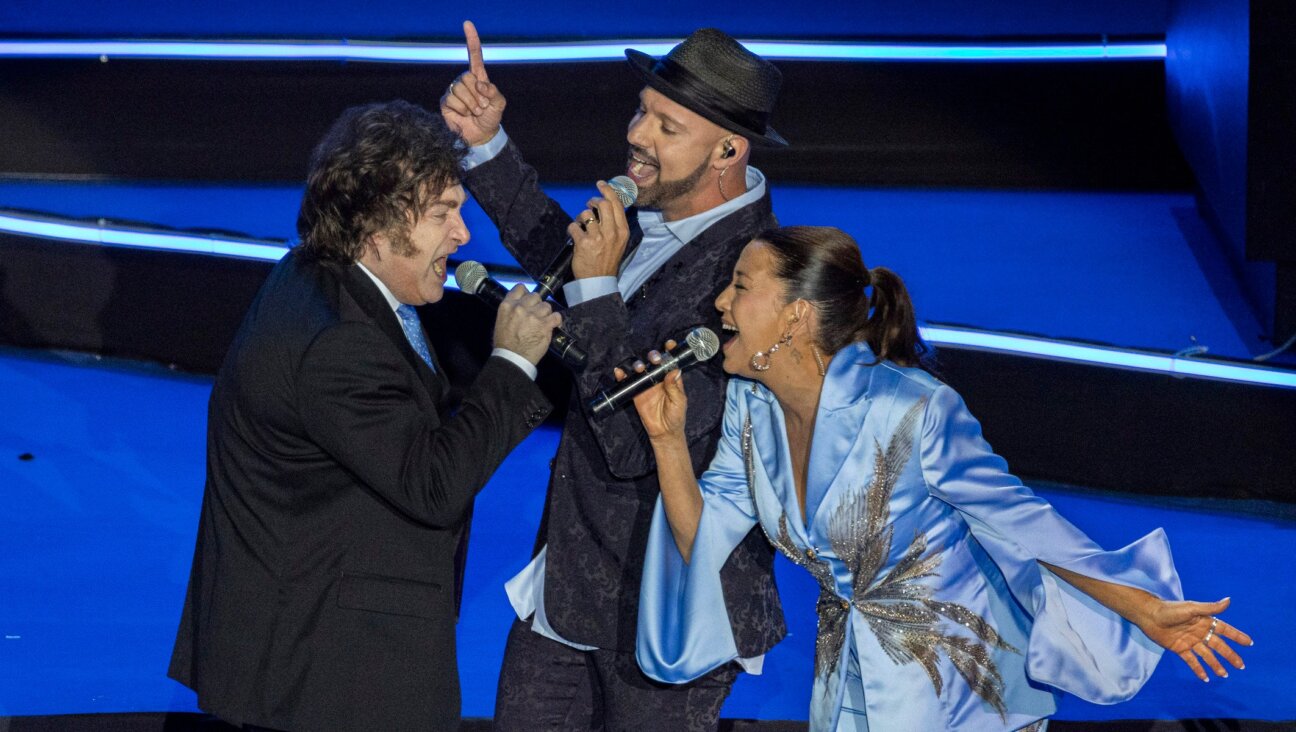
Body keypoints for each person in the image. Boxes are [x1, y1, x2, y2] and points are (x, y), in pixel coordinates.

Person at [626, 225, 1254, 731]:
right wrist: (666, 441)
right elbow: (700, 536)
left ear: (795, 315)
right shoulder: (751, 407)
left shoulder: (912, 408)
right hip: (846, 684)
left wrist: (1145, 609)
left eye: (740, 286)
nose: (720, 303)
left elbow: (1025, 524)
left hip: (961, 695)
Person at [167, 100, 559, 731]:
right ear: (376, 230)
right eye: (444, 214)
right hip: (330, 677)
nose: (463, 235)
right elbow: (433, 485)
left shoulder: (314, 276)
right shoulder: (338, 345)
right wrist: (511, 364)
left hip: (312, 646)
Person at [440, 23, 787, 730]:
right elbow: (568, 259)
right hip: (569, 587)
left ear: (728, 149)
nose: (638, 135)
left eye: (667, 125)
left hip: (665, 612)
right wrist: (487, 143)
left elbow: (635, 438)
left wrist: (596, 293)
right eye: (640, 111)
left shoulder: (752, 279)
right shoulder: (656, 212)